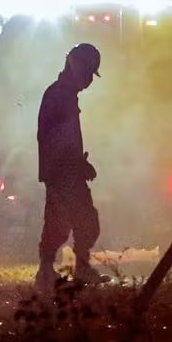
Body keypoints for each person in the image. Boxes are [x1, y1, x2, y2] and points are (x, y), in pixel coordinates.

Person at [36, 43, 104, 290]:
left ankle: (49, 272)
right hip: (63, 172)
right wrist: (76, 165)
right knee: (82, 221)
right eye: (88, 72)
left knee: (62, 222)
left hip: (62, 170)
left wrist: (79, 164)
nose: (89, 80)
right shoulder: (60, 96)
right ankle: (68, 270)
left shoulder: (61, 94)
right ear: (77, 67)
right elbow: (59, 139)